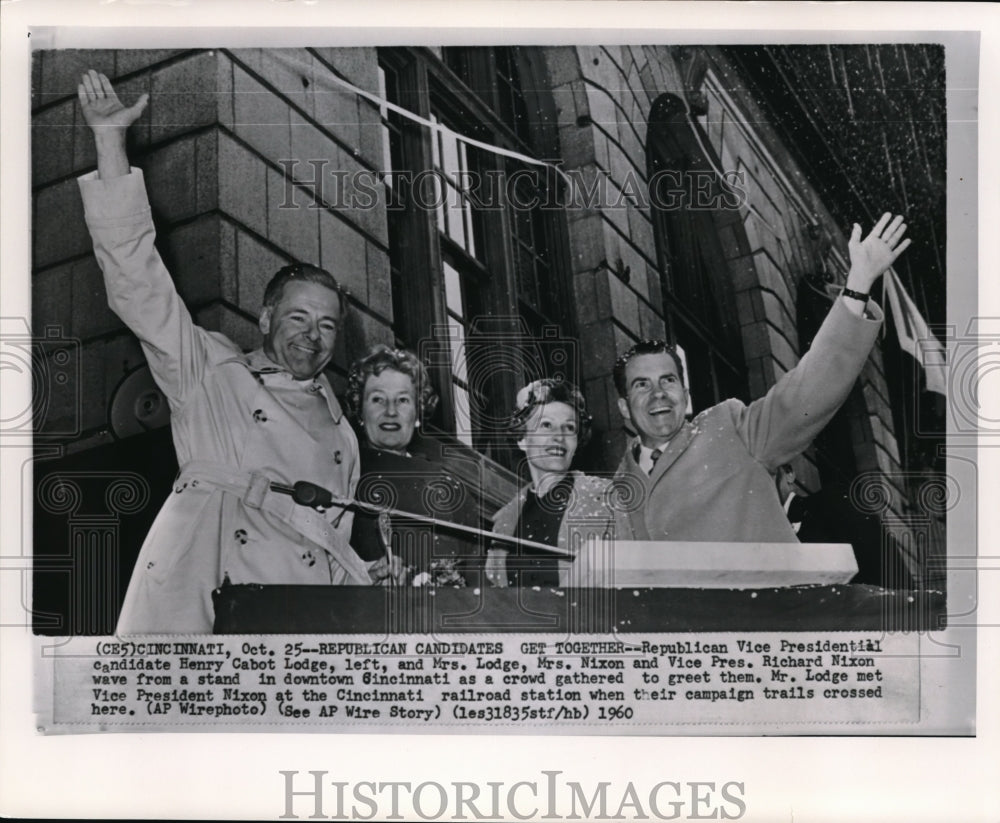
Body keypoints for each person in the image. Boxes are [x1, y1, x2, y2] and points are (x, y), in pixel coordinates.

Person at [76, 70, 374, 634]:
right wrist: (111, 144)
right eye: (298, 318)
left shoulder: (343, 438)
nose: (313, 336)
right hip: (201, 584)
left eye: (328, 326)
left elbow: (331, 544)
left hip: (291, 614)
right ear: (264, 318)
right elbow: (137, 279)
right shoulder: (208, 370)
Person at [612, 211, 911, 544]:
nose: (658, 394)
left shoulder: (732, 430)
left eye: (668, 380)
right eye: (642, 385)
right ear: (624, 407)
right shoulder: (610, 491)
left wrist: (858, 284)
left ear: (684, 392)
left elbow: (807, 393)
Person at [346, 345, 482, 585]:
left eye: (403, 400)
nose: (391, 411)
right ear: (359, 409)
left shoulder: (451, 490)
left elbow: (476, 582)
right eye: (378, 399)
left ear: (418, 412)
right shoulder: (342, 476)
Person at [486, 379, 613, 588]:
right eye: (546, 425)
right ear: (522, 438)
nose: (559, 437)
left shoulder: (608, 500)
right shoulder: (503, 523)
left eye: (569, 427)